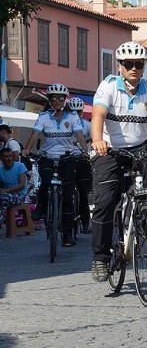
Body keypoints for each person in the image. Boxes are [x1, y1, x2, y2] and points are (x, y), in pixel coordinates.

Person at [89, 41, 147, 282]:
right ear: (120, 66)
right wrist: (98, 140)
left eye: (138, 64)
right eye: (129, 64)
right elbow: (98, 114)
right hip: (110, 150)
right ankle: (100, 258)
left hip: (141, 148)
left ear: (143, 67)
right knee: (104, 200)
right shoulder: (108, 85)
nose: (133, 68)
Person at [22, 83, 87, 247]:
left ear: (65, 100)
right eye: (53, 98)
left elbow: (79, 137)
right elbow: (35, 135)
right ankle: (41, 207)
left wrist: (85, 151)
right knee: (45, 182)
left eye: (60, 98)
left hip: (67, 158)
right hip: (47, 157)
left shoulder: (73, 117)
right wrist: (27, 149)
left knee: (68, 196)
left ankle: (67, 235)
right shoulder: (43, 117)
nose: (57, 101)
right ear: (49, 100)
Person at [68, 96, 92, 234]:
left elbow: (93, 140)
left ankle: (85, 221)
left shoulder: (87, 125)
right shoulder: (64, 123)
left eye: (78, 111)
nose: (75, 114)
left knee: (84, 191)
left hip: (83, 158)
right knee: (66, 190)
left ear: (81, 112)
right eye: (72, 111)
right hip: (67, 158)